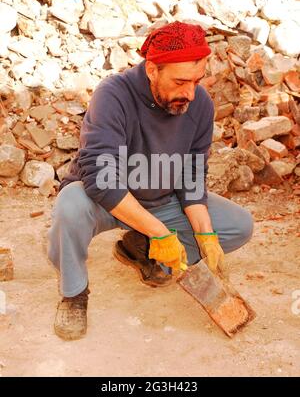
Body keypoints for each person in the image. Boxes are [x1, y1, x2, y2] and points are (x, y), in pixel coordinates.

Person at [48, 21, 253, 341]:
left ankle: (141, 248)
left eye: (197, 81)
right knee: (70, 204)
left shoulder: (199, 104)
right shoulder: (113, 95)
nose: (189, 92)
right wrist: (160, 232)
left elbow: (191, 175)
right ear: (152, 69)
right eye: (181, 81)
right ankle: (74, 294)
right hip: (107, 202)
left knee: (238, 225)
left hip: (161, 200)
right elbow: (100, 178)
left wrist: (206, 236)